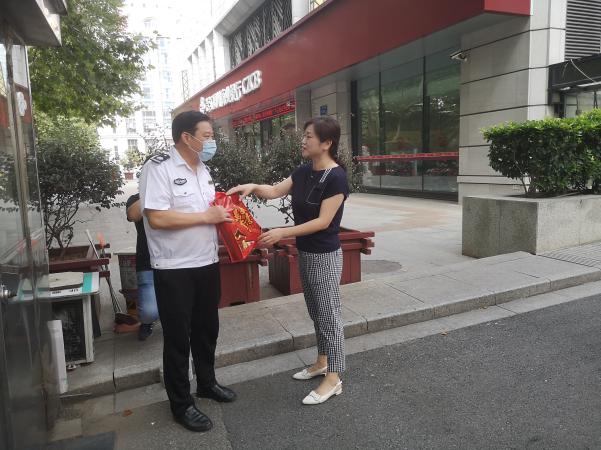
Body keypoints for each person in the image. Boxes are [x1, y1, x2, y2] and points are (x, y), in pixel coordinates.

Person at [227, 116, 349, 405]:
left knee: (329, 315)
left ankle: (334, 377)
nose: (303, 141)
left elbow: (323, 222)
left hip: (325, 255)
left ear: (326, 143)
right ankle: (322, 361)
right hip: (306, 252)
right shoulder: (304, 171)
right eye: (304, 136)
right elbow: (273, 191)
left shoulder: (336, 177)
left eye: (309, 136)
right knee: (316, 310)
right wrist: (252, 186)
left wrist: (282, 232)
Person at [138, 111, 236, 433]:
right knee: (178, 339)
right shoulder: (159, 168)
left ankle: (207, 383)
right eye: (207, 136)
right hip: (174, 268)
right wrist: (207, 217)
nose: (211, 142)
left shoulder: (203, 170)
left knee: (207, 330)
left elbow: (211, 211)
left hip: (206, 262)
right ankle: (181, 404)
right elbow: (157, 218)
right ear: (187, 137)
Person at [125, 193, 159, 341]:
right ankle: (147, 321)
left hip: (174, 260)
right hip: (147, 262)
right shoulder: (136, 199)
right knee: (149, 312)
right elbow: (133, 214)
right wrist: (151, 189)